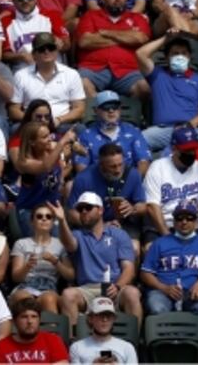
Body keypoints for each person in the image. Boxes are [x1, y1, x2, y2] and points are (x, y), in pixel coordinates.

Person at [53, 193, 142, 328]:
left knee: (132, 293)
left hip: (114, 286)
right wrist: (61, 220)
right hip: (87, 289)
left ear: (100, 210)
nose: (83, 211)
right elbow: (68, 243)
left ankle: (134, 343)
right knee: (67, 295)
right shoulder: (78, 234)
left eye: (88, 208)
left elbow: (129, 269)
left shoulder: (118, 234)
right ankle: (72, 343)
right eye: (80, 209)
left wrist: (117, 286)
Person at [136, 32, 198, 156]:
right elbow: (140, 54)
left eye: (184, 53)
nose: (180, 56)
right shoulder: (157, 75)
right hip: (162, 130)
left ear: (189, 57)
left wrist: (189, 125)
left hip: (191, 128)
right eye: (175, 53)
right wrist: (165, 38)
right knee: (138, 140)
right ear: (167, 58)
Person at [75, 0, 151, 100]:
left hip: (127, 70)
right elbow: (85, 41)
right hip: (93, 69)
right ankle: (101, 109)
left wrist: (107, 33)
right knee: (80, 84)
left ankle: (129, 116)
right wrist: (127, 37)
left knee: (144, 88)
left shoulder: (137, 18)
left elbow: (141, 38)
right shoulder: (90, 16)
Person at [139, 200, 198, 315]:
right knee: (156, 307)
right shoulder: (160, 243)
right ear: (174, 221)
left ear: (196, 221)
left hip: (191, 292)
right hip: (162, 292)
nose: (184, 222)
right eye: (179, 218)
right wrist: (163, 288)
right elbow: (145, 273)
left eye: (189, 218)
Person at [142, 124, 198, 241]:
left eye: (193, 149)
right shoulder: (157, 167)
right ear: (174, 149)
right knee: (150, 248)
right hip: (164, 224)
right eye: (187, 150)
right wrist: (166, 236)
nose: (191, 154)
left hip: (194, 226)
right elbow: (152, 206)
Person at [8, 32, 86, 129]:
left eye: (51, 48)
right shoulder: (21, 75)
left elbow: (79, 108)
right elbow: (13, 110)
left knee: (80, 129)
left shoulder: (72, 74)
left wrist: (59, 119)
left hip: (62, 123)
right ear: (34, 54)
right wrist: (32, 120)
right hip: (31, 125)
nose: (46, 51)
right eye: (41, 49)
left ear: (57, 51)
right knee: (15, 128)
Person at [67, 141, 146, 234]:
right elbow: (72, 214)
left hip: (123, 223)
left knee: (135, 247)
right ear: (101, 165)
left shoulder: (133, 174)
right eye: (113, 166)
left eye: (121, 164)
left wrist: (132, 209)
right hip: (92, 225)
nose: (118, 170)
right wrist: (99, 226)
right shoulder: (83, 178)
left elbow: (143, 206)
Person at [0, 297, 68, 364]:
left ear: (39, 320)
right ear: (15, 321)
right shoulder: (2, 346)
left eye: (34, 317)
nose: (30, 321)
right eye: (24, 317)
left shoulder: (53, 341)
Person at [68, 296, 138, 364]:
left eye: (109, 316)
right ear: (90, 319)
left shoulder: (127, 347)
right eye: (100, 315)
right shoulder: (77, 347)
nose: (105, 319)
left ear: (114, 319)